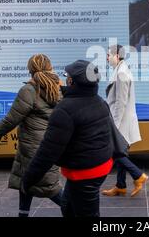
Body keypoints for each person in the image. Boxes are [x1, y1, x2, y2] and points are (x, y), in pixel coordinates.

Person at [22, 60, 113, 217]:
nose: (65, 79)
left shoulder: (65, 110)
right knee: (68, 206)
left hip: (85, 171)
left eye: (66, 76)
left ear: (72, 81)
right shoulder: (99, 102)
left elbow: (48, 151)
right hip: (101, 164)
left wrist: (29, 179)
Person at [0, 54, 63, 217]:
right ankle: (22, 215)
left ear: (30, 69)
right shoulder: (57, 87)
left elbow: (10, 120)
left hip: (34, 147)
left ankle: (79, 212)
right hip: (48, 145)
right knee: (26, 182)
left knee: (49, 188)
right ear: (50, 67)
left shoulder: (29, 90)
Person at [102, 45, 149, 197]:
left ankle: (138, 175)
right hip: (122, 120)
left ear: (117, 55)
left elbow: (121, 103)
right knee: (121, 152)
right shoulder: (121, 70)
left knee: (116, 152)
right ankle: (120, 186)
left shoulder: (121, 73)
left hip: (120, 121)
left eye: (108, 55)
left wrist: (114, 126)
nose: (107, 58)